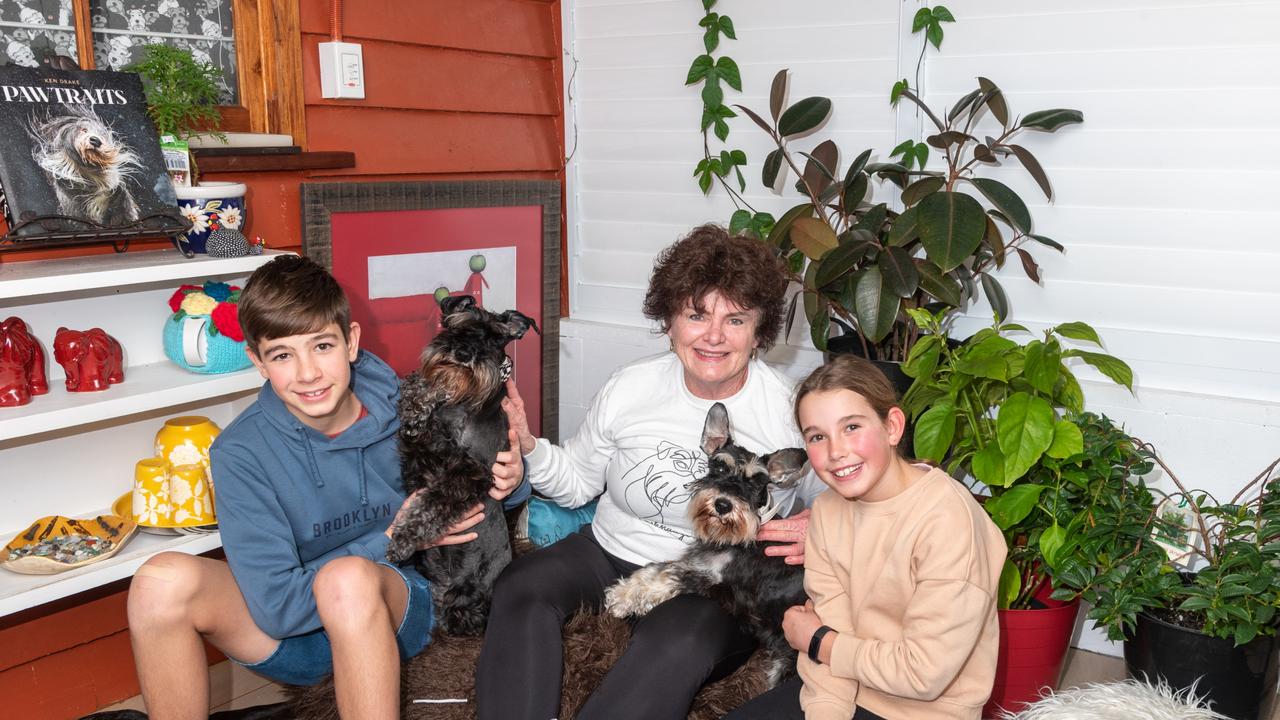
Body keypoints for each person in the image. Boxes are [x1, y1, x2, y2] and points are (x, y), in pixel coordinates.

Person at [126, 255, 530, 720]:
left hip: (403, 611)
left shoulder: (411, 406)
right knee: (159, 583)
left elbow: (489, 491)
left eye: (322, 346)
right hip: (299, 633)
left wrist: (513, 479)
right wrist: (393, 538)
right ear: (257, 362)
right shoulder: (239, 453)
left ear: (351, 341)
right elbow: (277, 611)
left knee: (346, 581)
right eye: (282, 355)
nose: (308, 373)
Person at [475, 225, 827, 720]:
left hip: (717, 584)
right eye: (695, 314)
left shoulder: (793, 407)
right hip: (609, 551)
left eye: (736, 319)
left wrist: (821, 520)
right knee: (520, 585)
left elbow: (847, 491)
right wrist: (530, 447)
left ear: (759, 330)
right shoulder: (630, 386)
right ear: (669, 320)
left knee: (677, 639)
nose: (713, 336)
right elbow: (577, 480)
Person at [725, 354, 1007, 720]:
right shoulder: (827, 511)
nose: (836, 451)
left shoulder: (951, 523)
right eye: (817, 436)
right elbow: (830, 632)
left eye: (852, 427)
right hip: (843, 685)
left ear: (892, 427)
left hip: (920, 711)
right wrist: (825, 708)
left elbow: (923, 674)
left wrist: (817, 641)